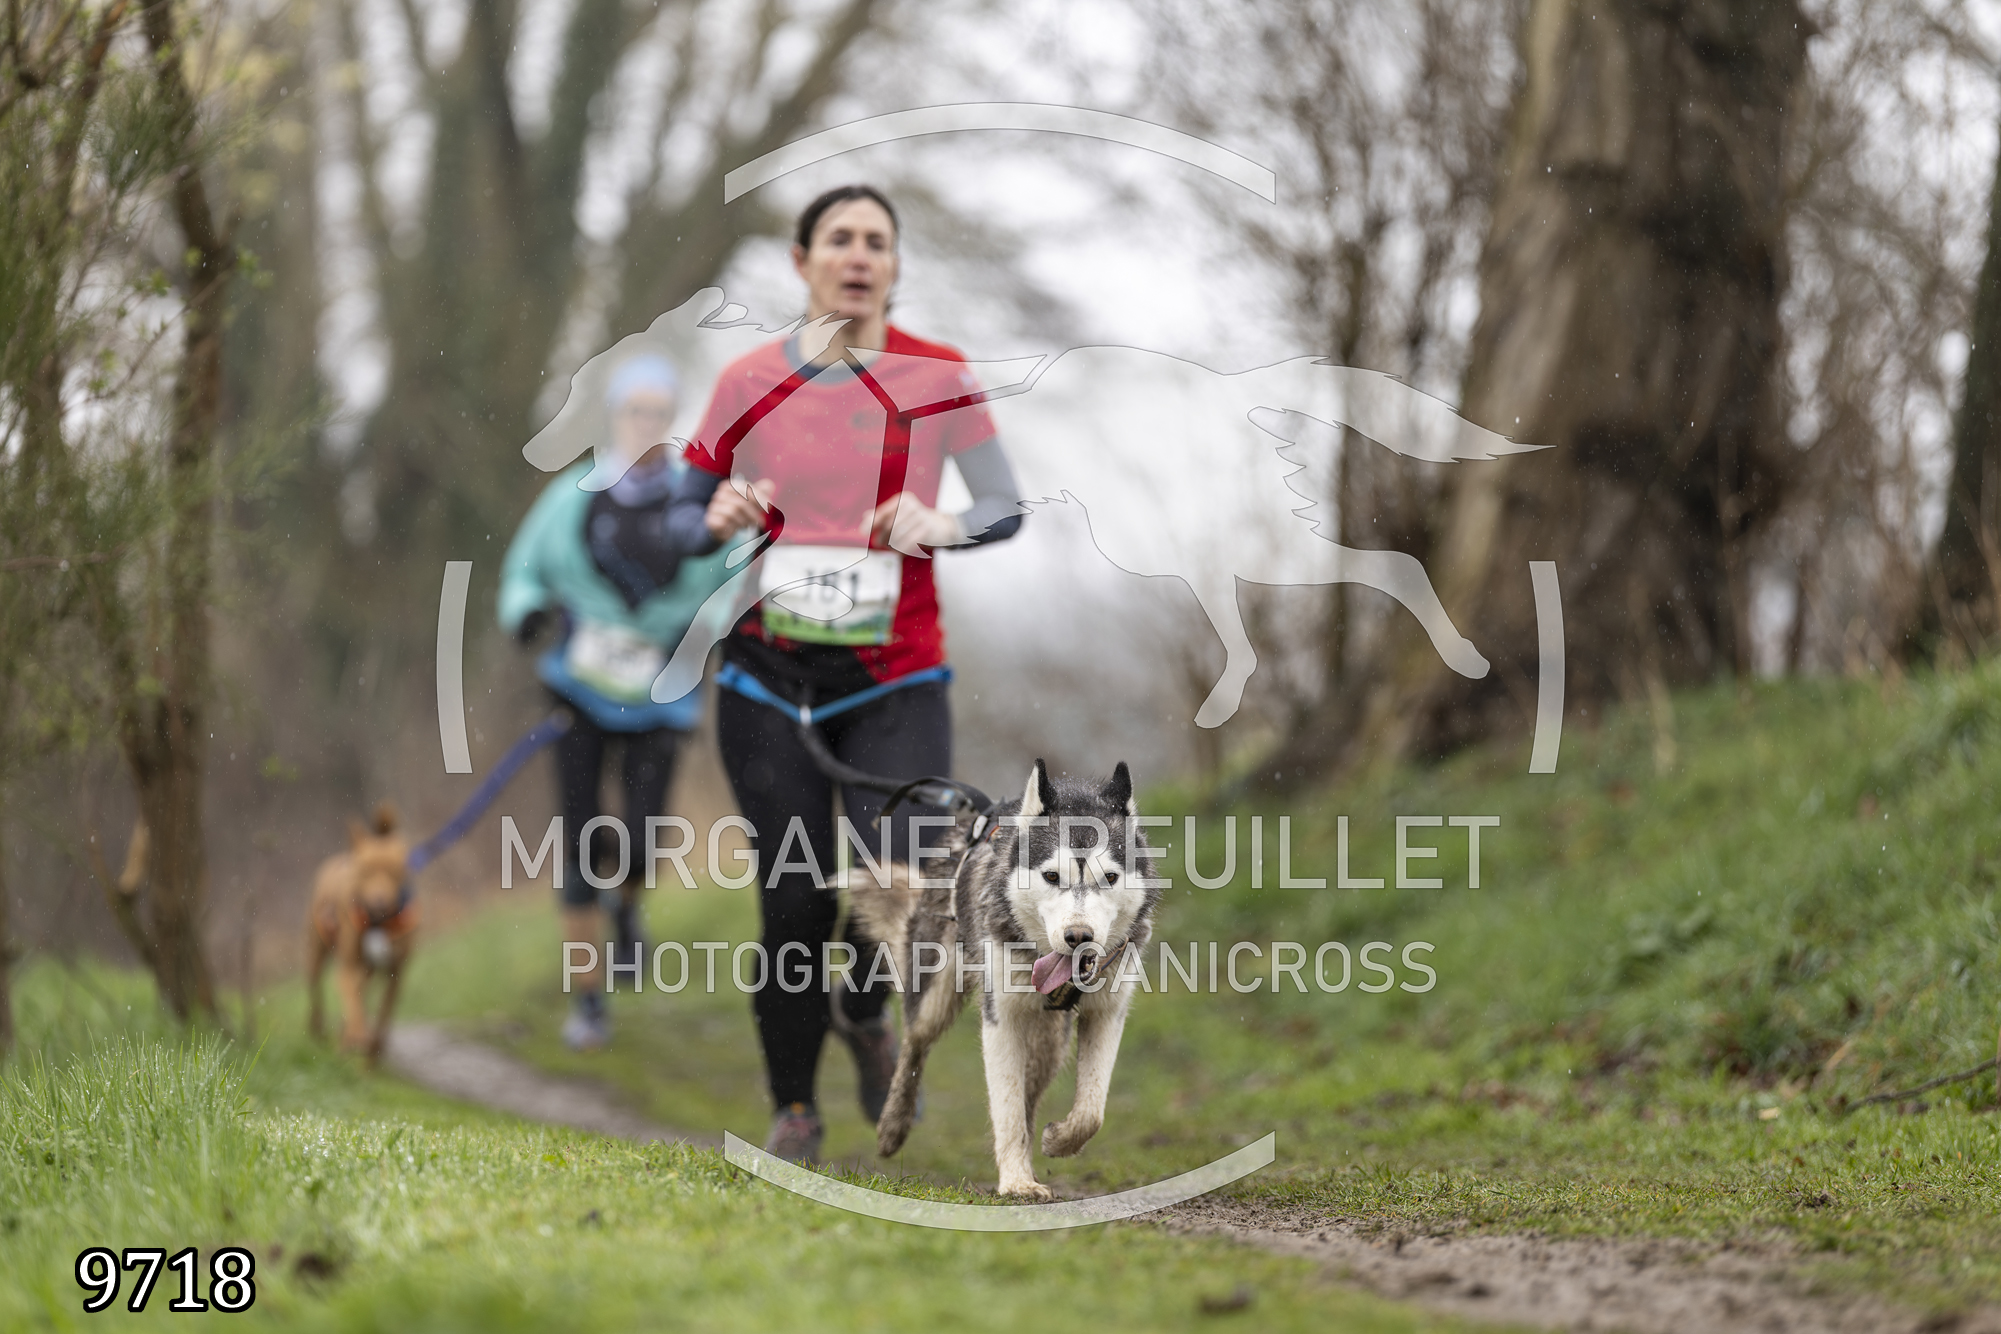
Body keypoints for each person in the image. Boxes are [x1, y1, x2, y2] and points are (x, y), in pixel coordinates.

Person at [667, 185, 1026, 1161]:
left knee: (895, 887)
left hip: (895, 678)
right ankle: (795, 1108)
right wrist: (713, 516)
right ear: (802, 261)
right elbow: (682, 515)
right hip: (767, 679)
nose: (858, 255)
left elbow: (1003, 505)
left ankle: (863, 1014)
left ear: (895, 266)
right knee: (794, 897)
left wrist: (942, 521)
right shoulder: (749, 380)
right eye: (839, 239)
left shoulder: (938, 374)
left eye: (876, 241)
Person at [499, 354, 734, 1051]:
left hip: (661, 698)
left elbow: (732, 579)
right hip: (577, 689)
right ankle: (588, 1000)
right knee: (579, 842)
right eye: (636, 411)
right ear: (615, 416)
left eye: (659, 413)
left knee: (639, 837)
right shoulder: (573, 496)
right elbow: (524, 570)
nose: (646, 425)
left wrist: (710, 630)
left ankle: (627, 906)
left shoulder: (697, 502)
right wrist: (527, 611)